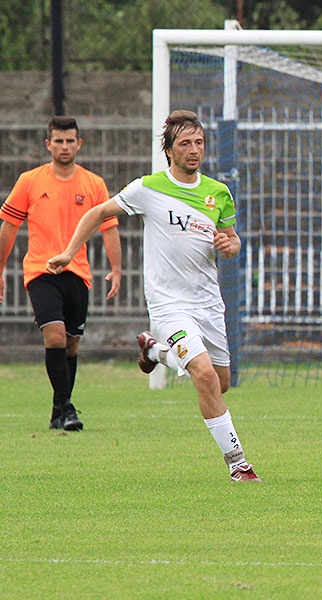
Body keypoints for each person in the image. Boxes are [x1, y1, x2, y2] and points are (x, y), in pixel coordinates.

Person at [47, 110, 260, 482]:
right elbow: (98, 212)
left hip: (208, 304)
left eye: (199, 143)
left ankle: (153, 351)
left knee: (220, 382)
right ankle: (238, 463)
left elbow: (231, 240)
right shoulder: (148, 188)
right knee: (206, 376)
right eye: (185, 144)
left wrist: (231, 245)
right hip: (169, 305)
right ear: (169, 150)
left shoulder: (218, 193)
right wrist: (68, 252)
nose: (194, 151)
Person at [0, 116, 122, 431]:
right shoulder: (30, 181)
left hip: (77, 273)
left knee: (71, 344)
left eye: (70, 141)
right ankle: (67, 407)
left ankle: (59, 410)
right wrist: (0, 269)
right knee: (54, 335)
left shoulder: (93, 184)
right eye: (58, 141)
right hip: (40, 270)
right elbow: (10, 227)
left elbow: (109, 228)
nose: (64, 147)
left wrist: (117, 269)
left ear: (78, 144)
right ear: (48, 144)